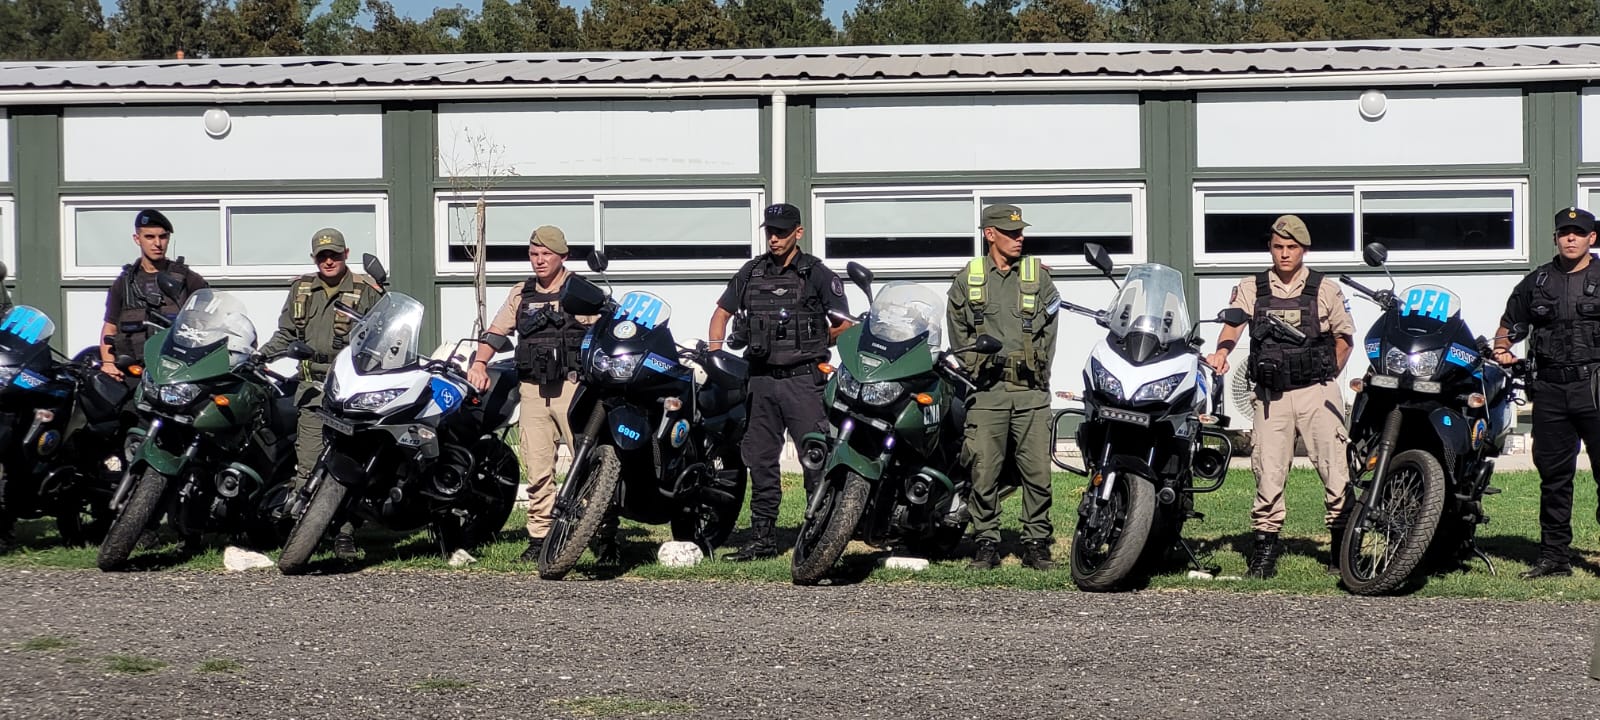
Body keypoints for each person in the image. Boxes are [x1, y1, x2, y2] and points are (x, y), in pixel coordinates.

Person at [1205, 214, 1355, 579]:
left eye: (1291, 247)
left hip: (1317, 392)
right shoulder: (1252, 286)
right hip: (1271, 395)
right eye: (1278, 247)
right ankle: (1264, 554)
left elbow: (1344, 338)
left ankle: (1341, 552)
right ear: (1270, 248)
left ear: (1303, 249)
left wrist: (1328, 372)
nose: (1284, 254)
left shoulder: (1325, 288)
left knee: (1335, 471)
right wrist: (1222, 353)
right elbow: (1234, 324)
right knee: (1267, 472)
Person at [708, 202, 850, 561]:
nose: (774, 238)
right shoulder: (752, 272)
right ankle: (762, 538)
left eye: (782, 232)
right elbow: (721, 312)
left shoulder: (815, 273)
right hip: (760, 381)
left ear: (798, 233)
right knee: (760, 460)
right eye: (770, 231)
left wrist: (820, 339)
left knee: (815, 460)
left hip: (804, 381)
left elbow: (846, 324)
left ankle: (819, 535)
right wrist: (715, 353)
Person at [467, 226, 594, 563]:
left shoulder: (580, 291)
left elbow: (608, 330)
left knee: (587, 467)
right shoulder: (521, 294)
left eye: (546, 255)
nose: (539, 261)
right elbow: (496, 332)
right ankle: (540, 537)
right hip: (534, 392)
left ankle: (598, 534)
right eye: (534, 254)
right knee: (538, 472)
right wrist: (479, 364)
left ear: (562, 257)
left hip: (574, 389)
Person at [946, 204, 1061, 571]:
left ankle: (1036, 542)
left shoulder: (1038, 277)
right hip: (987, 392)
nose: (1020, 238)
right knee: (983, 472)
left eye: (1021, 232)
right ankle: (986, 542)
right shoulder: (969, 278)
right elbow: (958, 333)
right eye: (1011, 233)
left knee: (1037, 473)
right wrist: (975, 369)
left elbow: (1050, 332)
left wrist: (1038, 370)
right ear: (989, 234)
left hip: (1029, 392)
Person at [262, 228, 384, 561]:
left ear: (346, 254)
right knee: (309, 463)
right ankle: (302, 534)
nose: (328, 261)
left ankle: (343, 534)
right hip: (312, 389)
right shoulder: (302, 289)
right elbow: (286, 334)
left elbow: (383, 336)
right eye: (321, 256)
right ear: (314, 258)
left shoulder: (365, 291)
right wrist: (260, 355)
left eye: (334, 254)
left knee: (344, 465)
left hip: (350, 390)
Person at [1491, 206, 1600, 579]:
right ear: (1555, 238)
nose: (1570, 238)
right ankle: (1554, 557)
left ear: (1592, 238)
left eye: (1578, 232)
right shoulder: (1536, 282)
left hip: (1596, 387)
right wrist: (1502, 348)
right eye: (1564, 232)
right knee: (1554, 477)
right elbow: (1509, 324)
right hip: (1551, 387)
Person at [99, 209, 208, 379]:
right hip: (133, 372)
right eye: (149, 237)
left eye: (162, 237)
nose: (157, 243)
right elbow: (110, 327)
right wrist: (108, 364)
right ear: (137, 239)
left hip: (176, 373)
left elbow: (212, 322)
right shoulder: (124, 283)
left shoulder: (188, 279)